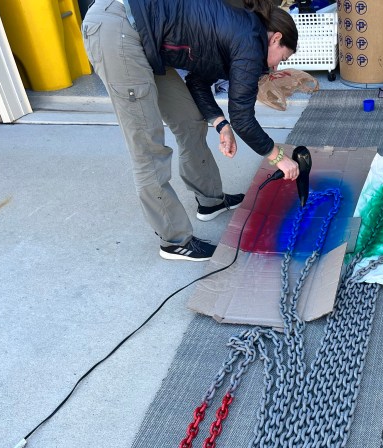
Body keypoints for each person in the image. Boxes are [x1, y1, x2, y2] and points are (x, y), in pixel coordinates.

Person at [81, 0, 300, 261]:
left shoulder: (242, 31)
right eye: (281, 59)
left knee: (190, 120)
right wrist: (278, 157)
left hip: (148, 37)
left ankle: (210, 201)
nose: (275, 68)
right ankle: (174, 241)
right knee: (148, 147)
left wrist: (220, 124)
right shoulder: (250, 42)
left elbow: (198, 80)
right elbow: (243, 119)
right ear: (275, 38)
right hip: (119, 29)